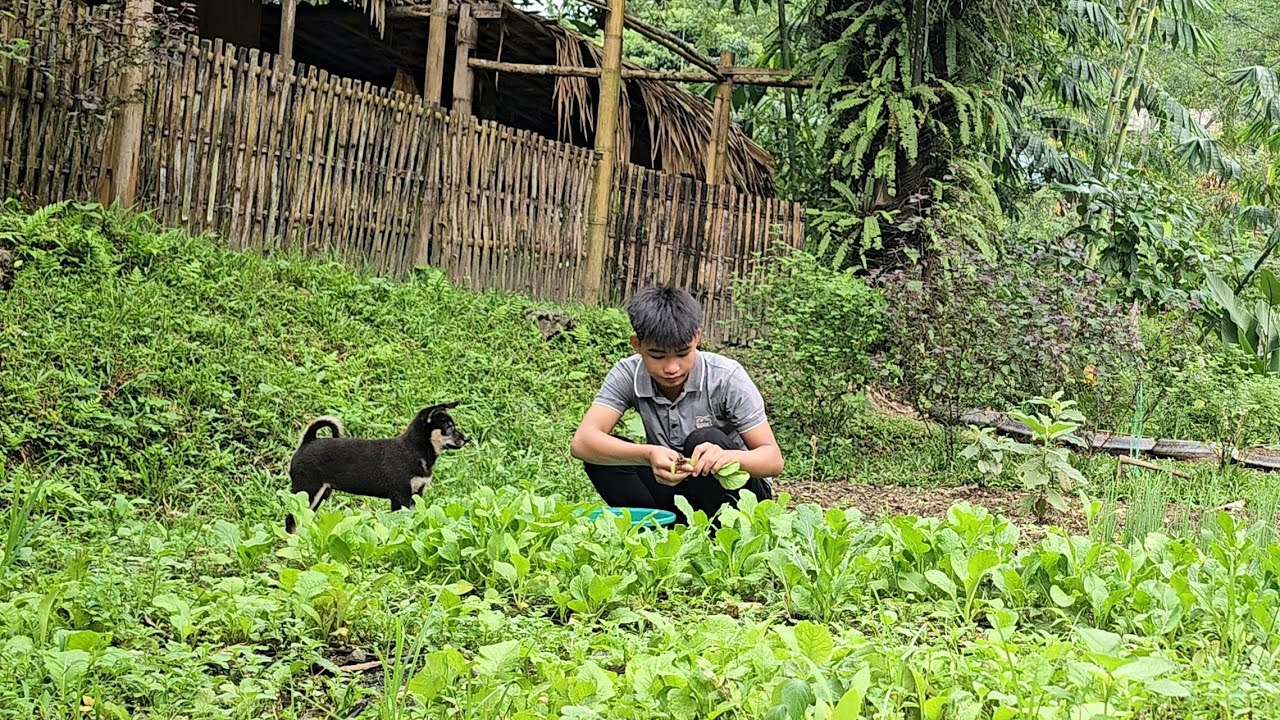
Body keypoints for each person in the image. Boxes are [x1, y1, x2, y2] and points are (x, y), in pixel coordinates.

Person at [570, 285, 783, 522]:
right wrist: (648, 454)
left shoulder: (726, 377)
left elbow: (772, 459)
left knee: (703, 441)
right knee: (603, 456)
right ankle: (661, 529)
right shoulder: (627, 374)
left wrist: (727, 457)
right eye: (657, 356)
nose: (672, 368)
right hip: (675, 487)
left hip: (737, 498)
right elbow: (583, 442)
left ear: (697, 338)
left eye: (682, 353)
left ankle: (720, 535)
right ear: (637, 345)